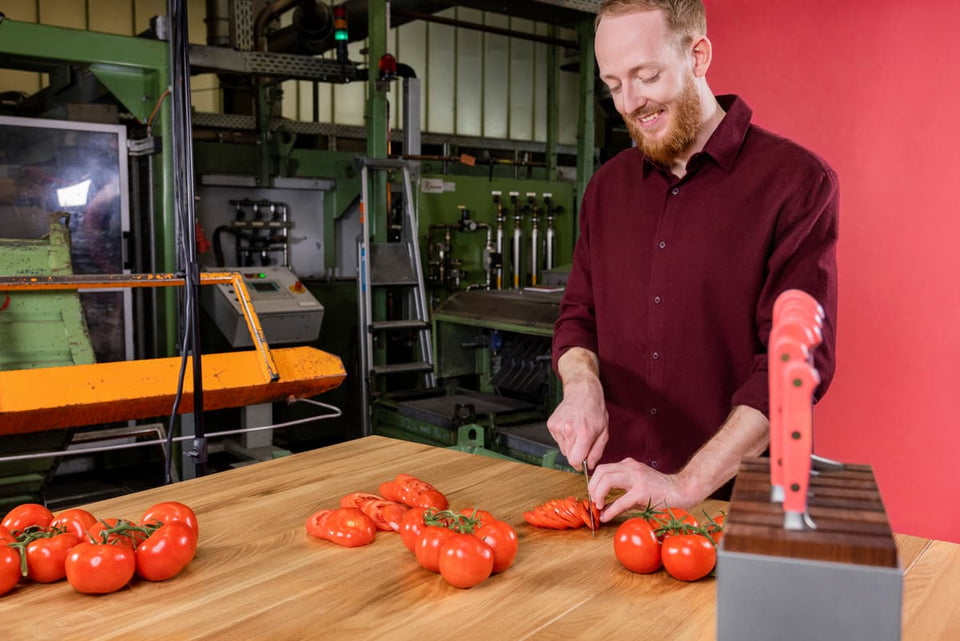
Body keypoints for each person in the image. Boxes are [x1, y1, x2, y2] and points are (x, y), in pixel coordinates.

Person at [547, 0, 839, 523]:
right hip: (618, 502)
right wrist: (581, 386)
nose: (630, 102)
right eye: (613, 84)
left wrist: (685, 484)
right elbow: (578, 318)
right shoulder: (606, 189)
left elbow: (793, 366)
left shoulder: (796, 183)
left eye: (646, 75)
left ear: (698, 56)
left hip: (738, 514)